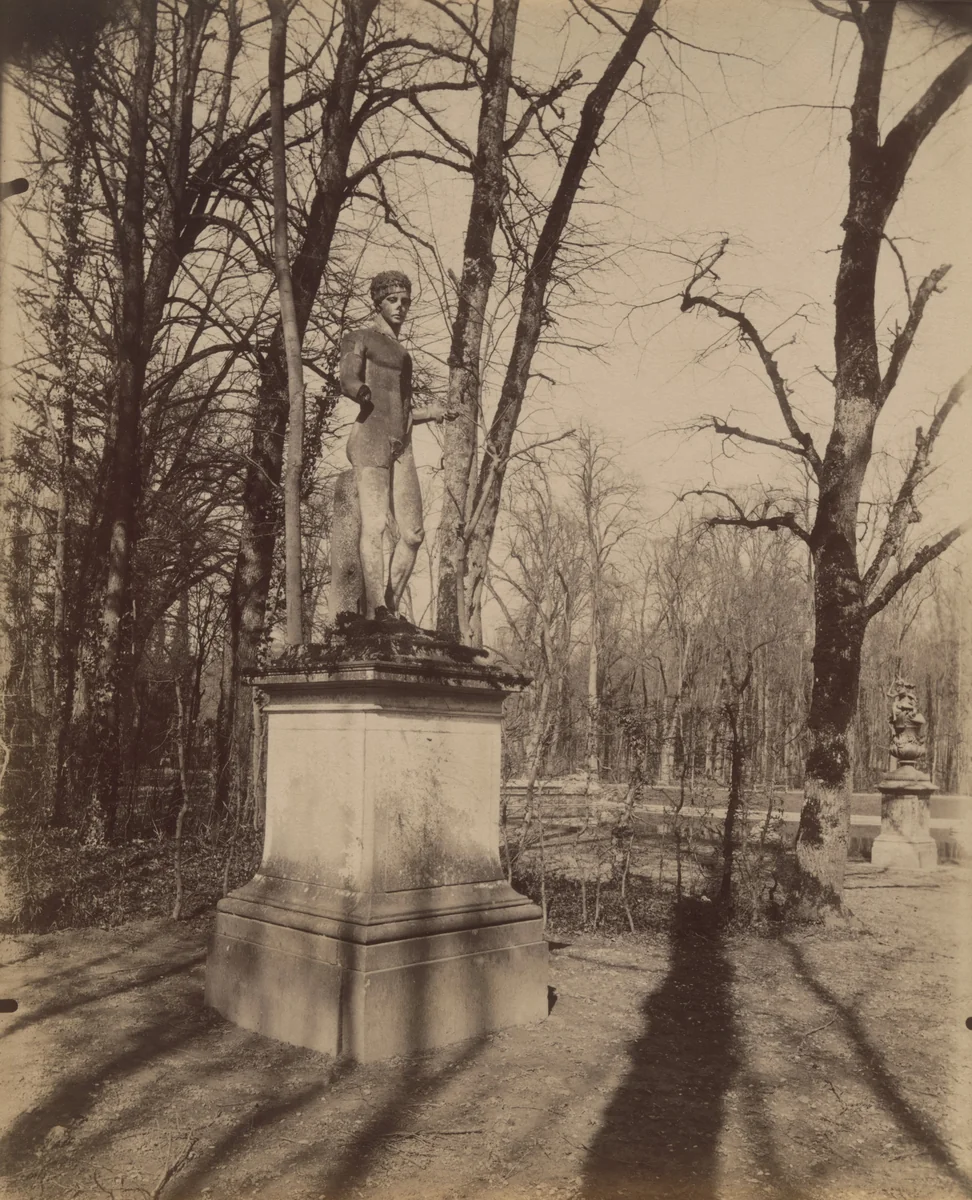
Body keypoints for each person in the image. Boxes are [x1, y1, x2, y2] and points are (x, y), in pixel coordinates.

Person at [337, 270, 453, 624]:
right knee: (374, 525)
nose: (400, 307)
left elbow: (401, 411)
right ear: (378, 302)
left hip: (401, 443)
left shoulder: (403, 354)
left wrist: (430, 413)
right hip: (370, 439)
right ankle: (377, 610)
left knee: (413, 534)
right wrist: (359, 391)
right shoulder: (359, 337)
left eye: (405, 301)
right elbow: (347, 378)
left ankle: (390, 604)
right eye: (393, 300)